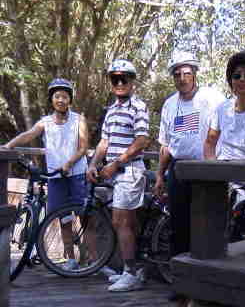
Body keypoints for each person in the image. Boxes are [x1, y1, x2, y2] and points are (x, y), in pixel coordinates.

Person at [153, 52, 225, 300]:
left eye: (186, 73)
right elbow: (166, 144)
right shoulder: (169, 104)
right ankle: (181, 285)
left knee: (207, 228)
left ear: (194, 74)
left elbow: (227, 128)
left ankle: (208, 286)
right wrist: (160, 175)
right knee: (179, 228)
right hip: (179, 169)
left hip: (207, 170)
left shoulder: (212, 98)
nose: (182, 78)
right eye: (177, 74)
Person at [1, 78, 89, 270]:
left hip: (77, 175)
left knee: (85, 217)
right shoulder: (46, 122)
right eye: (57, 96)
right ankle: (71, 260)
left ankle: (95, 260)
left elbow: (83, 148)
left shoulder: (78, 119)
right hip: (56, 177)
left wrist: (69, 163)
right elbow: (29, 134)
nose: (61, 100)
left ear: (69, 100)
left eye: (65, 97)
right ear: (52, 100)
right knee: (63, 218)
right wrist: (8, 145)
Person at [87, 59, 150, 292]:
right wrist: (93, 163)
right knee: (128, 223)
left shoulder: (138, 106)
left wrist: (115, 164)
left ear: (132, 82)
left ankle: (130, 273)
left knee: (120, 221)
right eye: (115, 78)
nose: (120, 82)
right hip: (116, 174)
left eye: (125, 78)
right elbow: (104, 142)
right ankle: (134, 268)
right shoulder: (111, 110)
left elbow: (142, 140)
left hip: (130, 171)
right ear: (111, 82)